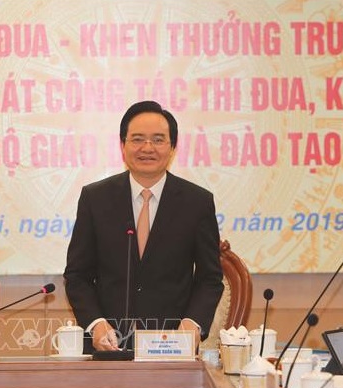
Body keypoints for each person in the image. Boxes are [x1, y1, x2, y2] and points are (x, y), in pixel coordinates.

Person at [64, 100, 224, 353]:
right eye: (137, 139)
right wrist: (95, 324)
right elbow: (77, 275)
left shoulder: (197, 202)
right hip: (109, 347)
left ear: (172, 147)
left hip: (170, 346)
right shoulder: (95, 198)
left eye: (158, 140)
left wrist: (191, 324)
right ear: (122, 145)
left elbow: (210, 278)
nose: (147, 148)